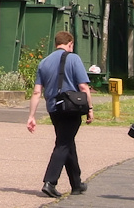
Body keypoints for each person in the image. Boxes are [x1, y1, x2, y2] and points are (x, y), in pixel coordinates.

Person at [27, 31, 94, 198]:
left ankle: (76, 184)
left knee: (67, 142)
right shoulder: (74, 59)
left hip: (54, 109)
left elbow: (36, 92)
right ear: (70, 43)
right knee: (63, 144)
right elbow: (84, 87)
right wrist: (90, 108)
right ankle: (50, 182)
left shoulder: (44, 62)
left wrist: (32, 116)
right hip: (71, 108)